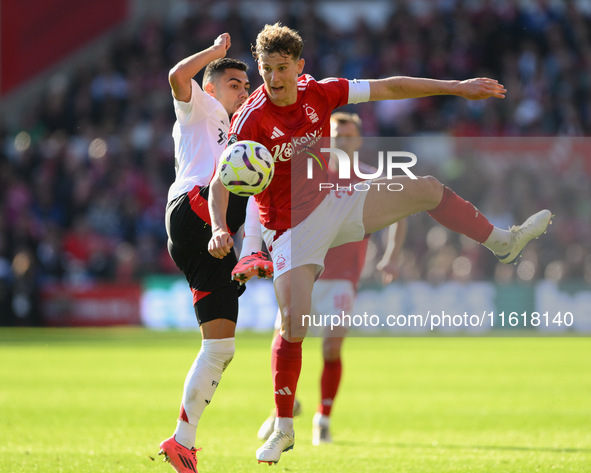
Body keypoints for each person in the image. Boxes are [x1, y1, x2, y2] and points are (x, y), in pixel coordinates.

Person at [208, 23, 552, 465]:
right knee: (294, 323)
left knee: (426, 187)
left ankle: (503, 243)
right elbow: (221, 180)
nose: (274, 79)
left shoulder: (322, 92)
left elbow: (390, 86)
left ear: (300, 66)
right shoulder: (250, 119)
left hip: (335, 200)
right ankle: (284, 429)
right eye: (266, 69)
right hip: (290, 229)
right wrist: (222, 227)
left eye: (282, 68)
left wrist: (457, 88)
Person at [253, 112, 408, 446]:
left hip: (342, 277)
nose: (342, 139)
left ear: (359, 140)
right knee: (285, 333)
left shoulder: (370, 176)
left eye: (349, 134)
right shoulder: (310, 172)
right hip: (302, 268)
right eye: (336, 133)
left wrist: (392, 256)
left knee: (332, 346)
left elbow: (402, 209)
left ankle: (322, 417)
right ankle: (284, 405)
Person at [159, 33, 272, 473]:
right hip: (191, 209)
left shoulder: (241, 124)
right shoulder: (200, 109)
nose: (243, 92)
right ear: (212, 88)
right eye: (234, 84)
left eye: (246, 87)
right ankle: (253, 252)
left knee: (221, 347)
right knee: (260, 168)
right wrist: (213, 54)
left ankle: (181, 441)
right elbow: (175, 76)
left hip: (209, 238)